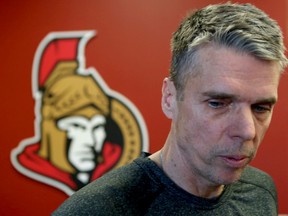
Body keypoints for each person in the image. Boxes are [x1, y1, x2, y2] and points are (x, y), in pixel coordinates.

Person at [53, 2, 287, 215]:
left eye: (260, 107)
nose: (248, 131)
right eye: (217, 103)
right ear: (170, 98)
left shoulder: (260, 192)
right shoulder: (95, 210)